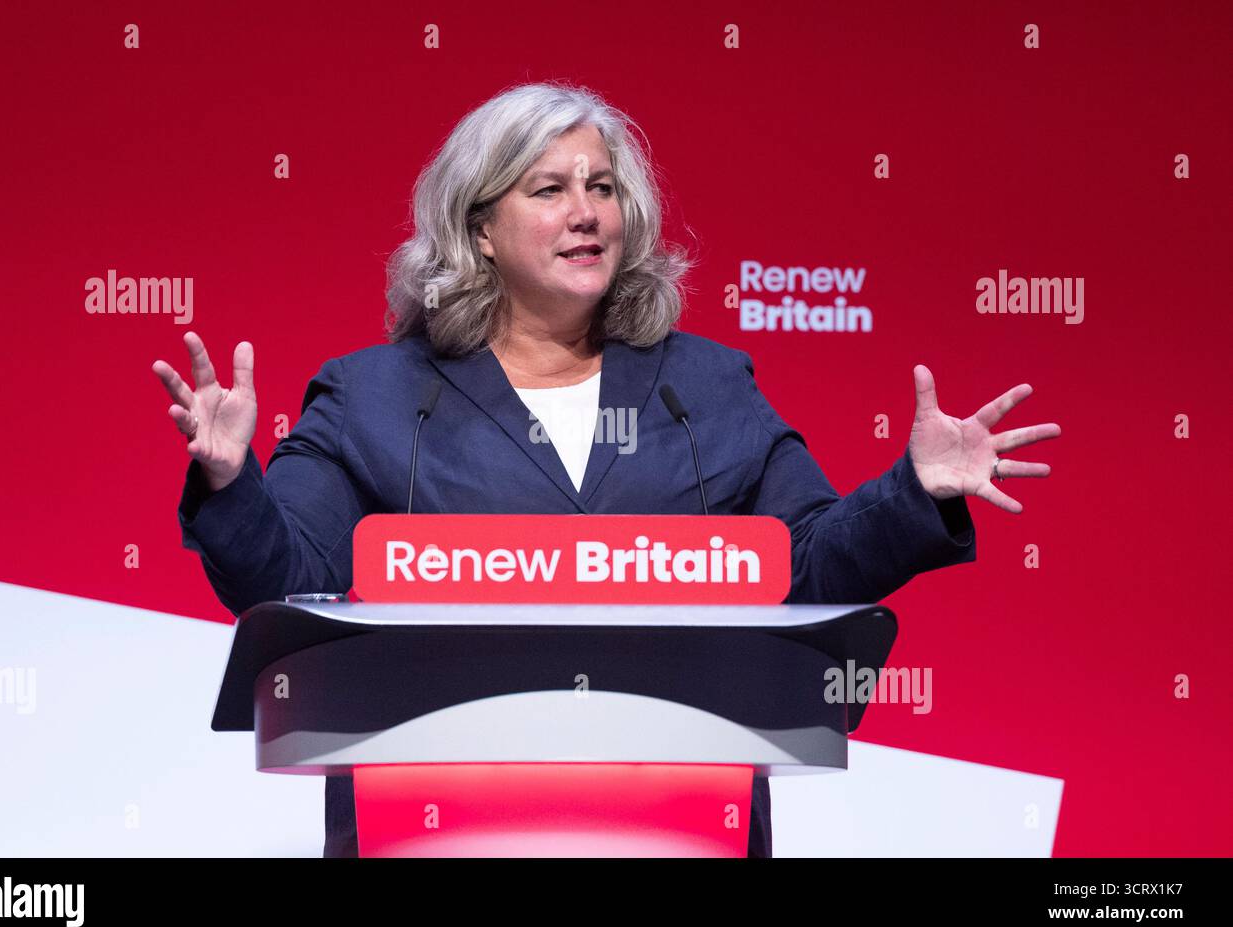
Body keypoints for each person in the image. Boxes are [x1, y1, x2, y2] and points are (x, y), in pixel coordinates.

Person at [152, 81, 1061, 858]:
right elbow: (298, 587)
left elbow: (811, 567)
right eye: (548, 188)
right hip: (436, 831)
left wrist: (915, 492)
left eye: (602, 186)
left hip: (679, 825)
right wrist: (232, 481)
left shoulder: (704, 385)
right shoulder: (377, 395)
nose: (587, 210)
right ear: (479, 232)